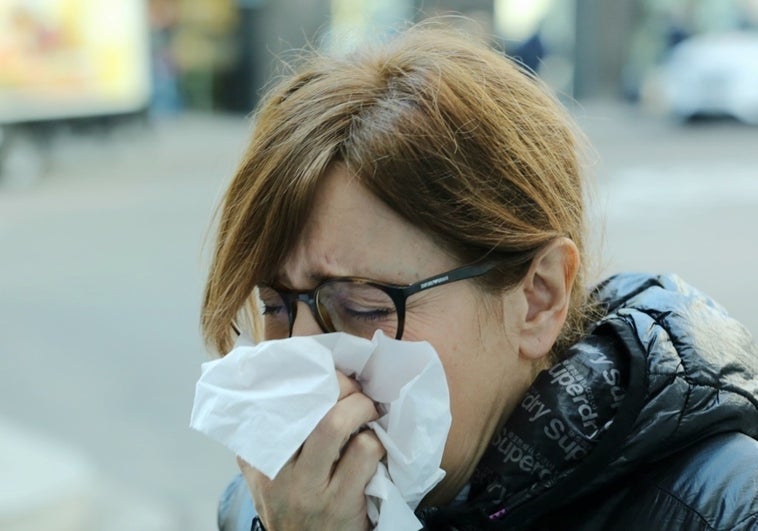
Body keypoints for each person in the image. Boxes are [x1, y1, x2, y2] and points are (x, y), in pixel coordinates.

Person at [200, 23, 758, 531]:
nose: (302, 354)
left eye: (363, 305)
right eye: (275, 305)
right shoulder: (269, 503)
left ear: (539, 299)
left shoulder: (724, 510)